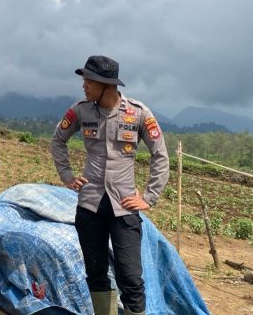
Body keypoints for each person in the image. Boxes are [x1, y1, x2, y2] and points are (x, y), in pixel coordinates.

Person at [50, 55, 169, 315]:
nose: (84, 86)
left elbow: (160, 154)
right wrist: (67, 175)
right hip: (90, 205)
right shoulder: (80, 110)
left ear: (106, 84)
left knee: (131, 278)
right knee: (95, 272)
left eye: (89, 81)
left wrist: (149, 196)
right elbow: (58, 140)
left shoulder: (138, 113)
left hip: (124, 207)